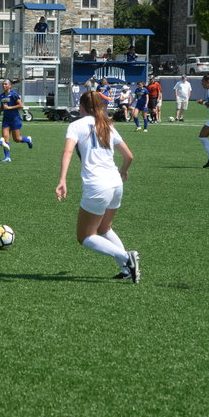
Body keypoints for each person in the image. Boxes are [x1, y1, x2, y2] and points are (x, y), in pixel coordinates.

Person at [55, 91, 139, 283]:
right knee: (104, 228)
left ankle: (126, 257)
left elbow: (68, 151)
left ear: (81, 107)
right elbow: (129, 156)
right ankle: (126, 269)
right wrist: (124, 171)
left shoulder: (76, 125)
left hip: (97, 186)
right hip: (116, 184)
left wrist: (62, 180)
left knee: (85, 236)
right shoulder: (107, 125)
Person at [0, 79, 33, 162]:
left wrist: (10, 107)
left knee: (17, 139)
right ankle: (7, 157)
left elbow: (20, 105)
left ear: (10, 86)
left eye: (6, 84)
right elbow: (3, 107)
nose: (4, 86)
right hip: (6, 120)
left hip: (15, 119)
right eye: (3, 84)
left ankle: (28, 140)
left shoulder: (13, 94)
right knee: (5, 138)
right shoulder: (2, 96)